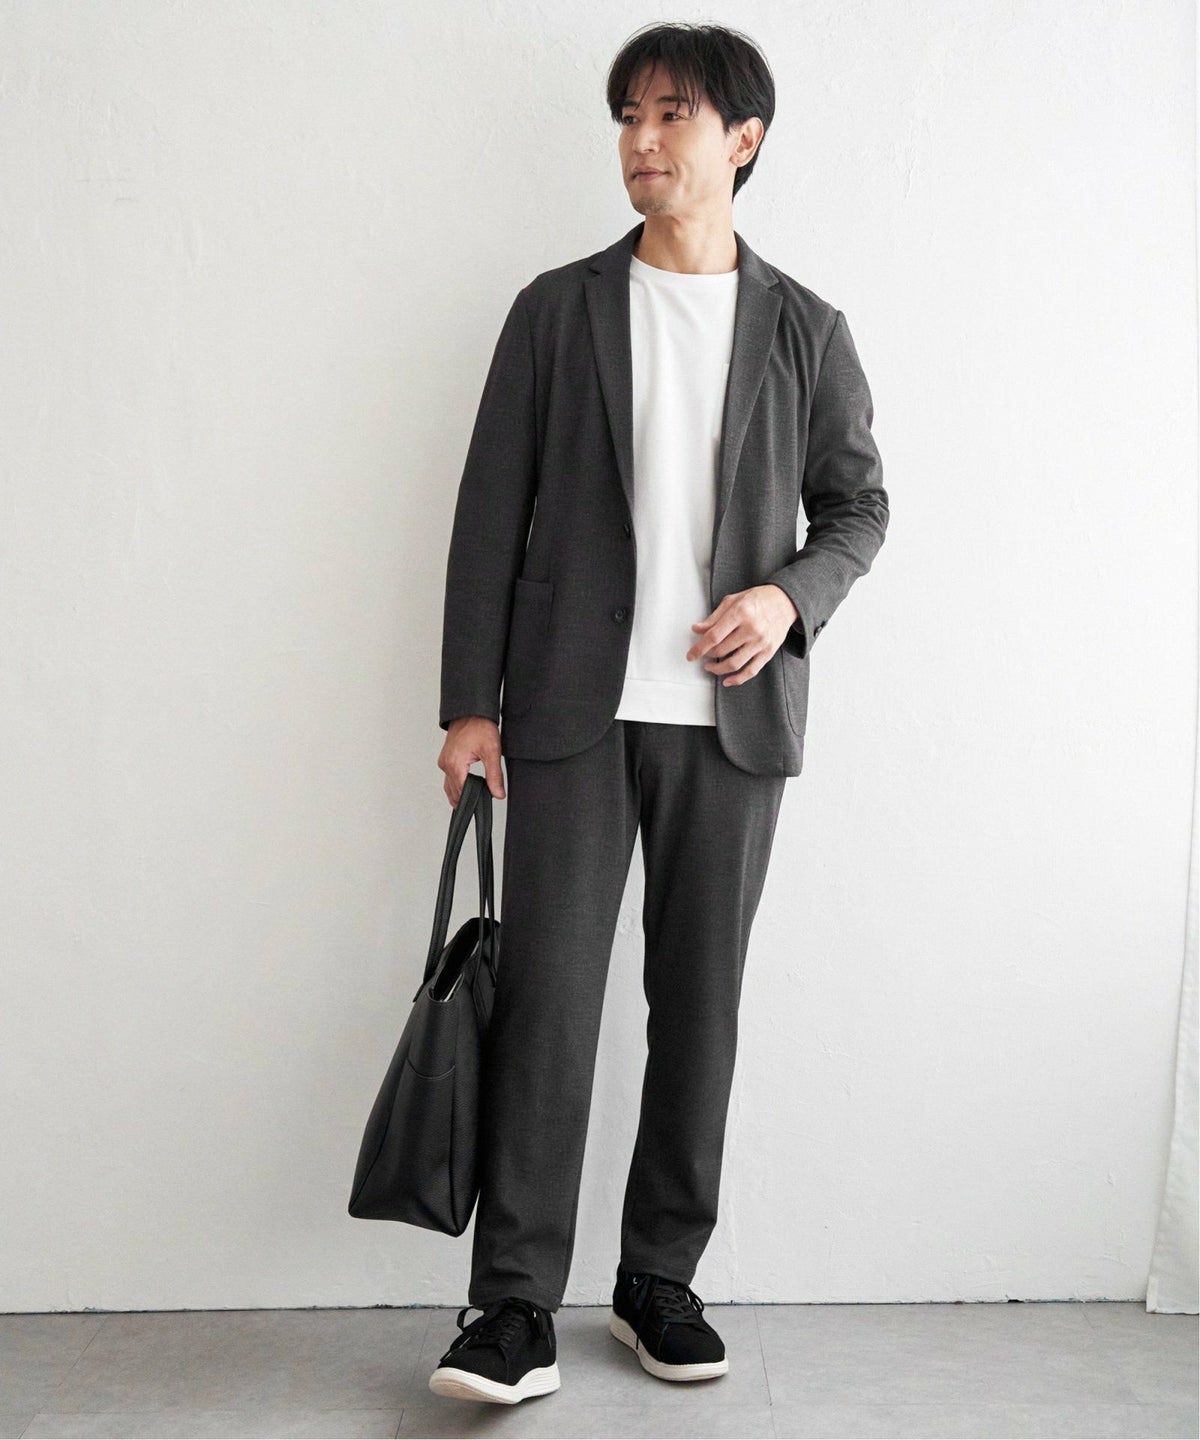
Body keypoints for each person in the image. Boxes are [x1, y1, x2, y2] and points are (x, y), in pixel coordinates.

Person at [429, 20, 889, 1406]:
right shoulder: (557, 310)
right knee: (547, 1010)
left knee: (700, 1009)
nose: (641, 140)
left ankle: (657, 1281)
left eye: (672, 114)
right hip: (569, 715)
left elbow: (859, 508)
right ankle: (512, 1307)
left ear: (743, 140)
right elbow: (488, 513)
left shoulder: (806, 328)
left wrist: (787, 599)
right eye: (628, 115)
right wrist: (467, 707)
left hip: (731, 729)